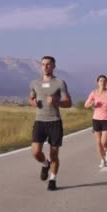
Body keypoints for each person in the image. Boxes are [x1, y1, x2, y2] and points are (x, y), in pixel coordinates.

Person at [29, 56, 72, 191]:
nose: (45, 66)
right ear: (40, 66)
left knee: (54, 154)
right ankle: (45, 164)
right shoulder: (35, 83)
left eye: (48, 64)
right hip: (39, 121)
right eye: (43, 64)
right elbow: (30, 98)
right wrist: (33, 102)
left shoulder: (60, 83)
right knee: (36, 152)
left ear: (54, 66)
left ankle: (52, 179)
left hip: (54, 122)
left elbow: (69, 103)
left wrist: (56, 102)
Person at [84, 75, 107, 168]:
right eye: (100, 80)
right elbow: (86, 105)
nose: (102, 82)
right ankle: (102, 160)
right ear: (97, 82)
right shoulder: (93, 93)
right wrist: (92, 104)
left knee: (104, 141)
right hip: (96, 119)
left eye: (104, 81)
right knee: (98, 142)